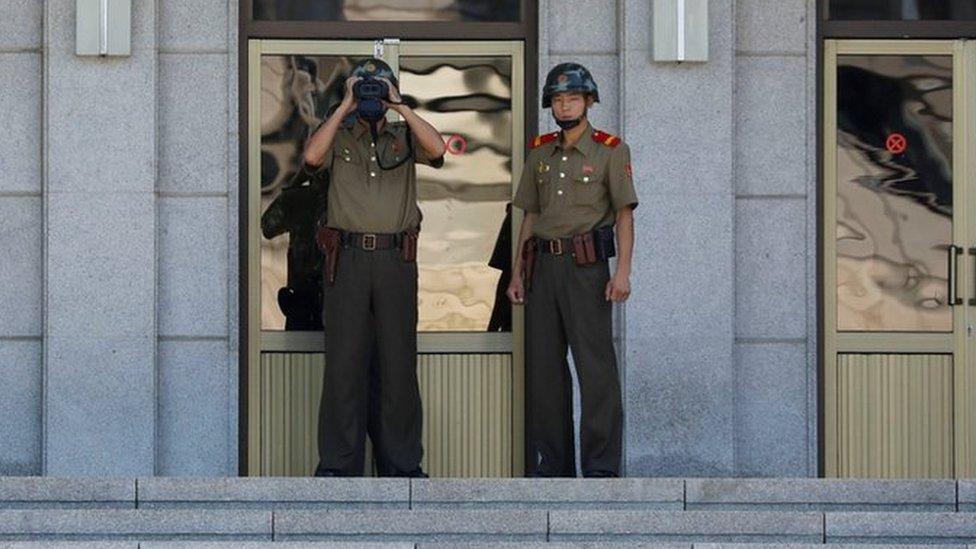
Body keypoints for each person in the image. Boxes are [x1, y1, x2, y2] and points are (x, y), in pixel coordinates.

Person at [302, 58, 446, 477]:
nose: (371, 96)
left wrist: (400, 106)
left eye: (375, 89)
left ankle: (400, 464)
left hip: (394, 261)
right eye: (365, 88)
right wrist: (344, 104)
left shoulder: (404, 134)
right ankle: (338, 465)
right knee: (343, 365)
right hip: (345, 261)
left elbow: (437, 149)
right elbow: (312, 157)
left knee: (398, 365)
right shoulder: (339, 134)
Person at [508, 62, 638, 478]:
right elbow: (530, 215)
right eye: (558, 99)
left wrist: (623, 273)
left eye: (572, 98)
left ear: (588, 101)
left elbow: (623, 215)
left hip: (587, 270)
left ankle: (601, 469)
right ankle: (553, 467)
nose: (564, 105)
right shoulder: (540, 152)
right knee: (545, 371)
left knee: (595, 369)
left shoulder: (610, 150)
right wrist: (516, 273)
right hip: (543, 268)